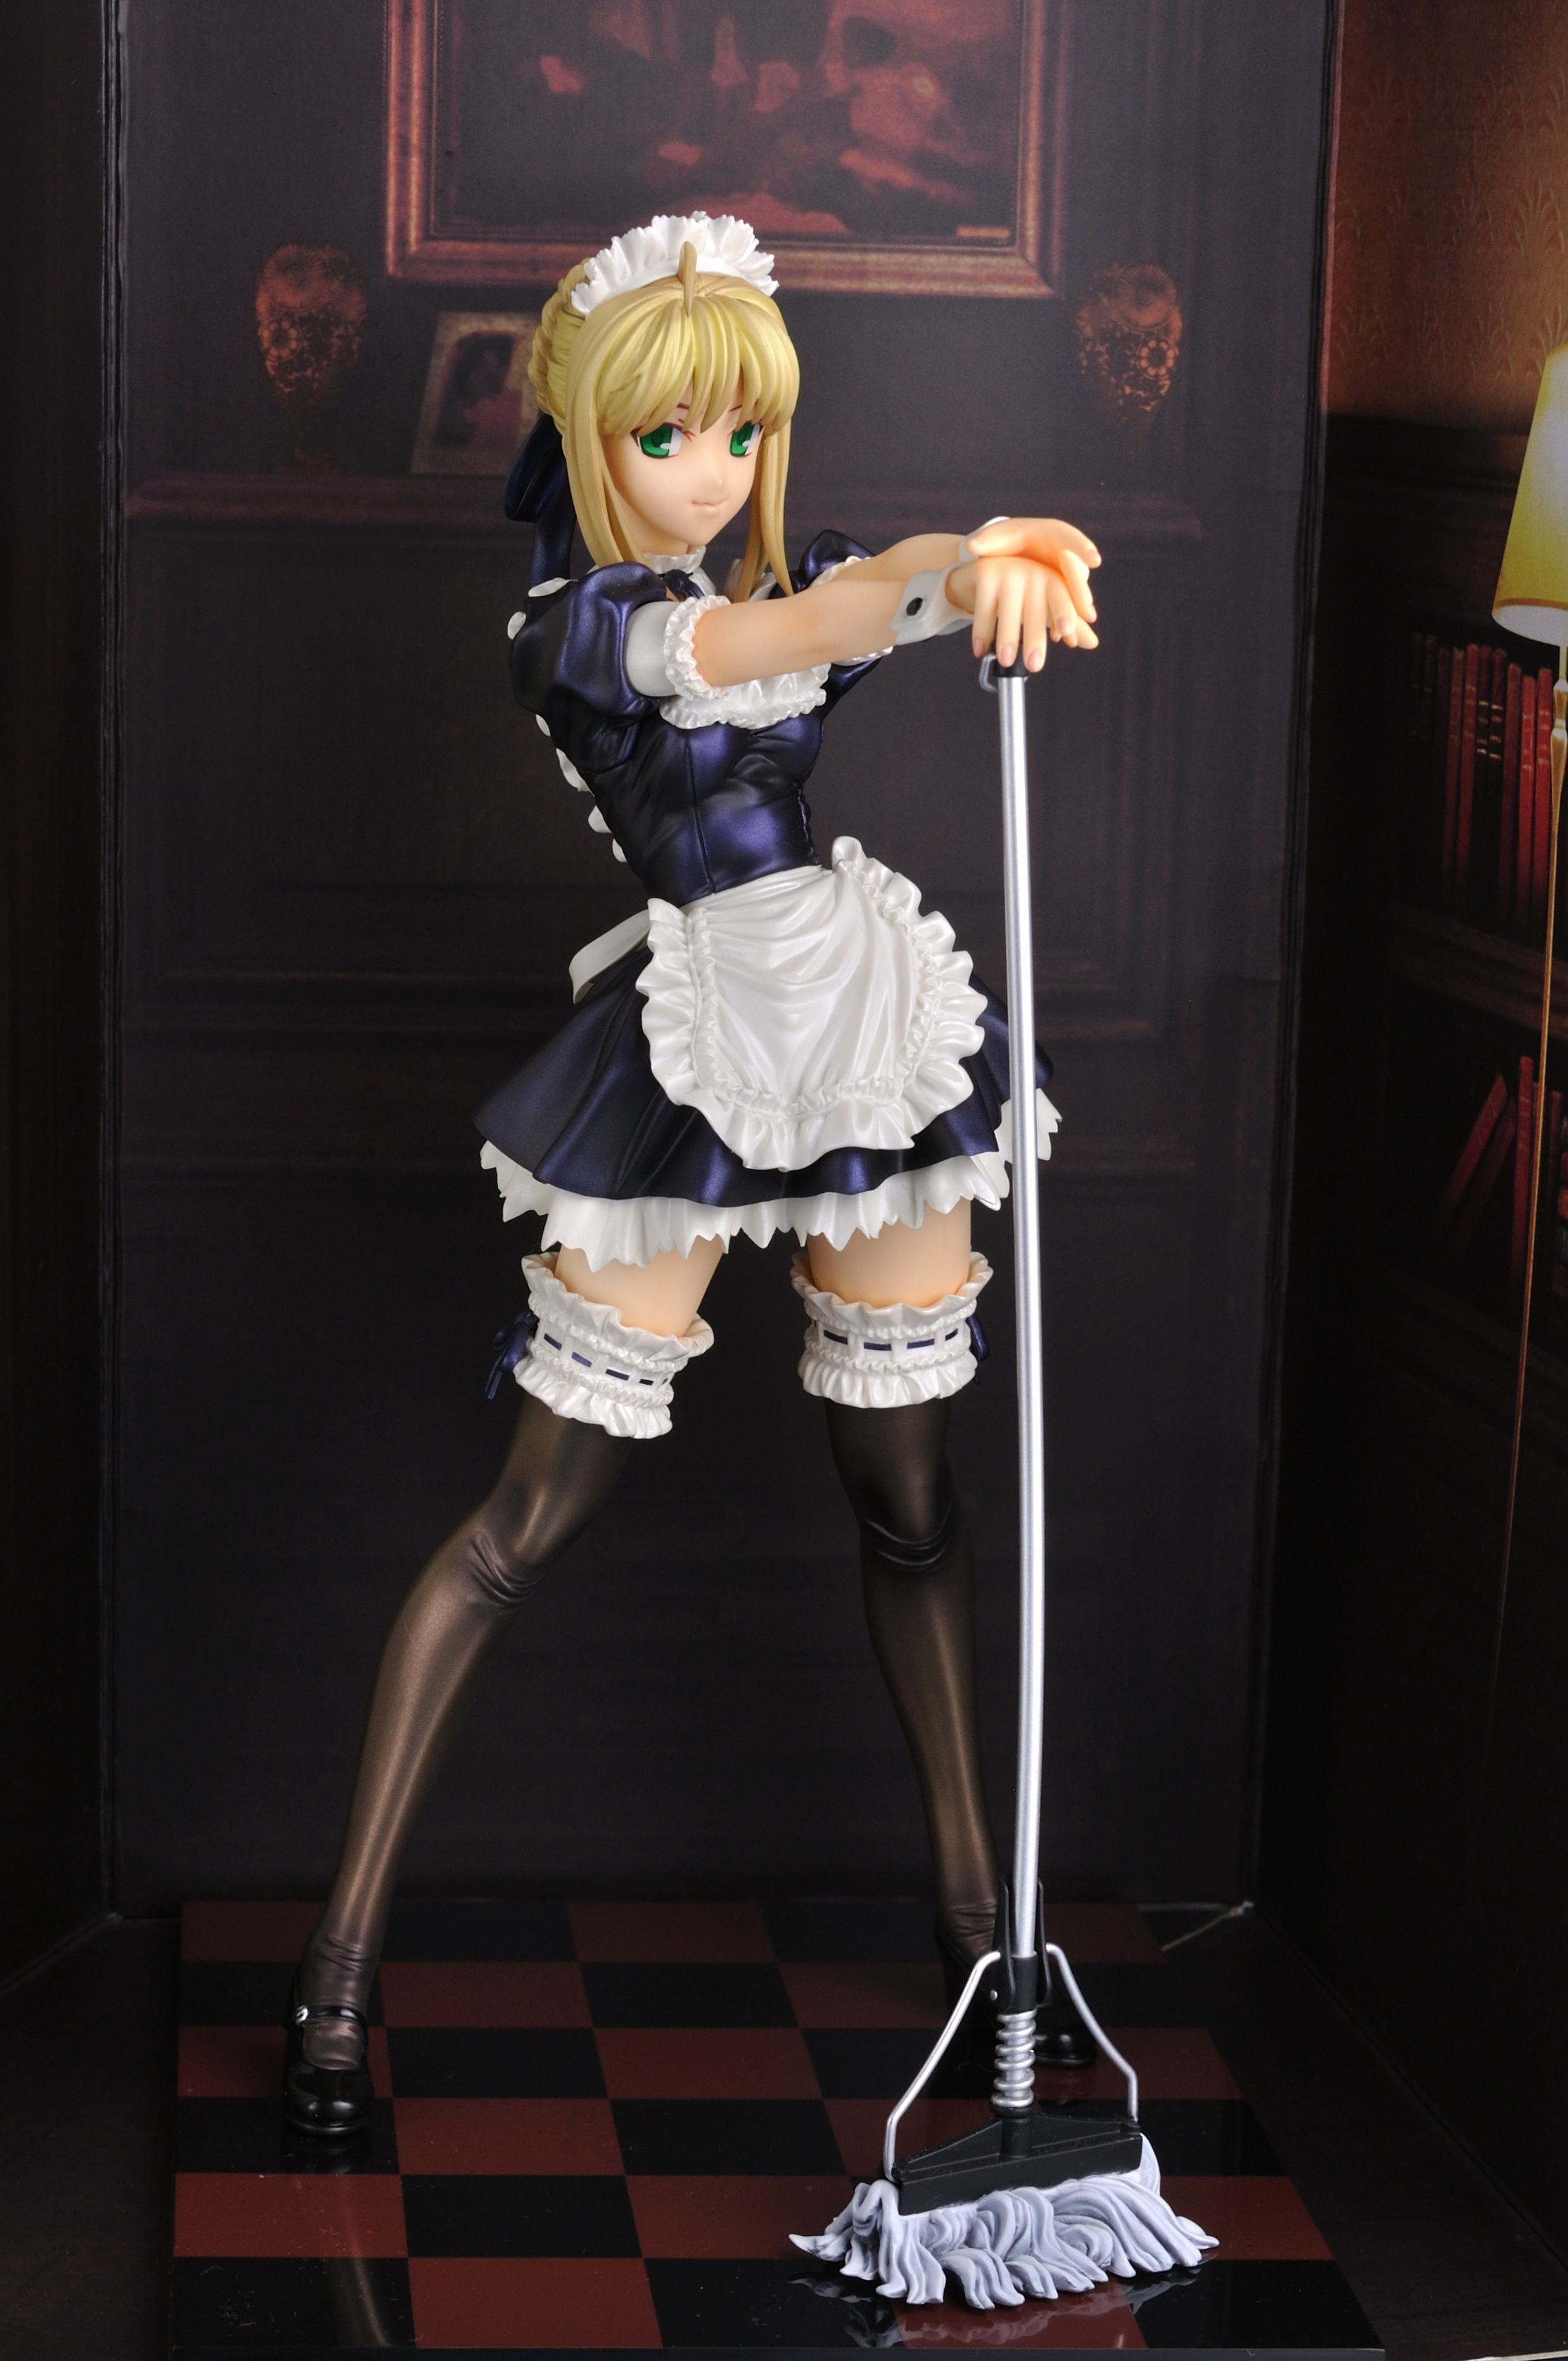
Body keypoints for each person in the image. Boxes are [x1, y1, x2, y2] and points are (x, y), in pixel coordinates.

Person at [283, 212, 1099, 2136]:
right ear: (591, 442)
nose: (712, 471)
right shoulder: (582, 629)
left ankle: (983, 1921)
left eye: (742, 433)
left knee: (913, 1504)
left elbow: (861, 579)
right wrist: (917, 594)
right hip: (693, 1044)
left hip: (866, 1026)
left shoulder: (768, 563)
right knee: (527, 1518)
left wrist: (985, 553)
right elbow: (770, 640)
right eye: (668, 436)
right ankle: (335, 1969)